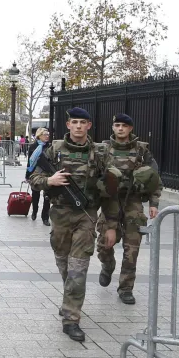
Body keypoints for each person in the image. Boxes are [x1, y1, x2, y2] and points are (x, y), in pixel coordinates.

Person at [29, 107, 120, 342]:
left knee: (78, 269)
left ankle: (71, 318)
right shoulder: (54, 150)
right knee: (65, 265)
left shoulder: (100, 153)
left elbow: (111, 193)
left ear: (89, 126)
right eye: (75, 122)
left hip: (86, 217)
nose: (79, 126)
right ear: (68, 125)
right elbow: (33, 177)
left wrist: (110, 225)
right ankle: (69, 299)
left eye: (83, 122)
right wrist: (50, 180)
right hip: (59, 216)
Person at [97, 114, 162, 305]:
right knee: (104, 245)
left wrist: (154, 203)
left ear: (130, 129)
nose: (120, 129)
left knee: (131, 248)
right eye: (117, 125)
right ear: (113, 127)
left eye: (124, 126)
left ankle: (126, 288)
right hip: (110, 202)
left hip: (133, 203)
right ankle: (107, 266)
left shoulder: (142, 150)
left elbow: (154, 178)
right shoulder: (103, 149)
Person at [26, 128, 52, 226]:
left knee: (47, 197)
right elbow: (30, 162)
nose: (47, 136)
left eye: (48, 134)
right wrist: (27, 176)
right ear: (39, 136)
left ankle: (45, 217)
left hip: (47, 174)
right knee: (35, 195)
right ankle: (34, 211)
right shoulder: (33, 147)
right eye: (45, 134)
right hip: (36, 173)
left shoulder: (50, 147)